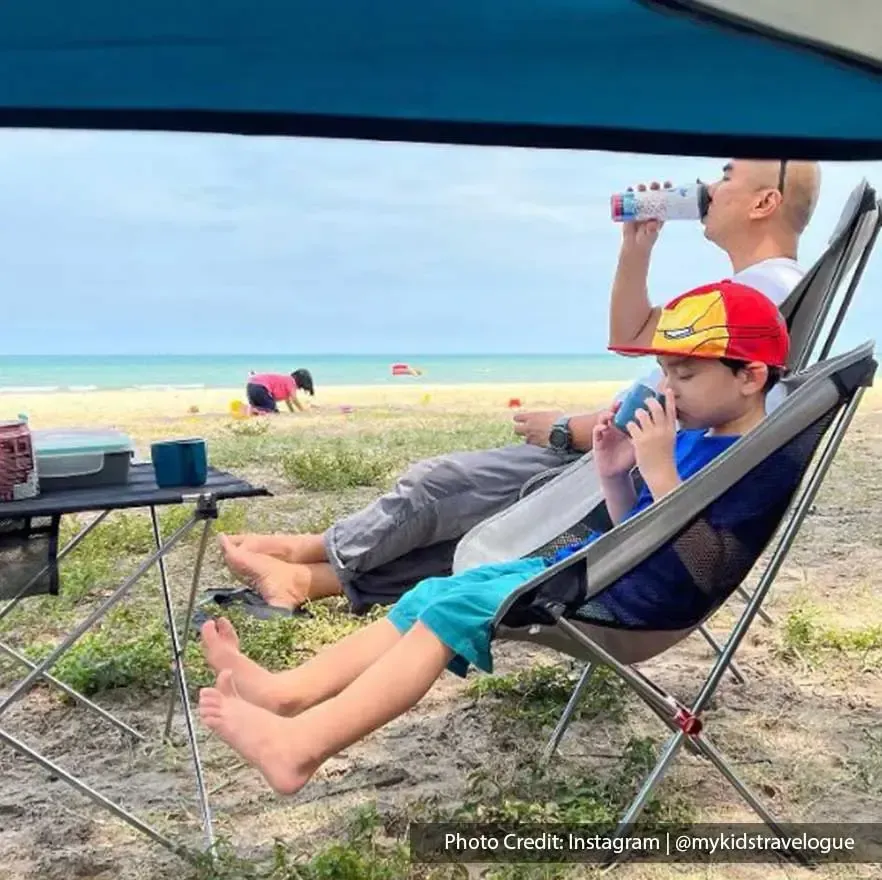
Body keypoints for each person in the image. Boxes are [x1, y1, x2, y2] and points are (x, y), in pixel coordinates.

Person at [198, 280, 791, 796]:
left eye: (684, 373)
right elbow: (635, 527)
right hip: (597, 572)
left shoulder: (753, 462)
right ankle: (287, 694)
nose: (668, 387)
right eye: (664, 371)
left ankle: (299, 749)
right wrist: (616, 470)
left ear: (750, 376)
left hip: (631, 606)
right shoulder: (700, 434)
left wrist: (660, 468)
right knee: (433, 592)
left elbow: (707, 561)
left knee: (449, 608)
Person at [218, 159, 821, 613]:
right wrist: (635, 250)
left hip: (620, 453)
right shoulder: (754, 289)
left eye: (726, 174)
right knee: (474, 516)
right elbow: (635, 336)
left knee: (443, 487)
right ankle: (313, 571)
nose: (708, 186)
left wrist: (569, 428)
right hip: (618, 449)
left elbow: (675, 403)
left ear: (764, 201)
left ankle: (314, 555)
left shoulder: (765, 293)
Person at [245, 368, 315, 414]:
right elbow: (294, 399)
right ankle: (251, 409)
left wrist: (292, 412)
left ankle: (252, 409)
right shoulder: (291, 381)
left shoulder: (286, 381)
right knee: (271, 408)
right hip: (260, 387)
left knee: (264, 406)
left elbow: (288, 401)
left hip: (251, 386)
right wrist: (302, 410)